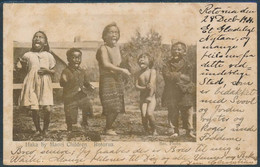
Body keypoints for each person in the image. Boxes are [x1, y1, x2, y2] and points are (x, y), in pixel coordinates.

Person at [17, 31, 56, 135]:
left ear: (46, 43)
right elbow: (20, 69)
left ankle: (46, 129)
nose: (38, 39)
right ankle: (38, 129)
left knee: (47, 108)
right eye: (36, 37)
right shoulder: (27, 55)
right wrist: (20, 65)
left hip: (45, 84)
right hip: (32, 84)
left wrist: (46, 71)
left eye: (41, 37)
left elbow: (53, 71)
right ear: (32, 41)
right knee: (35, 108)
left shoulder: (48, 55)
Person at [96, 22, 131, 135]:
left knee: (118, 105)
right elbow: (106, 64)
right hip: (107, 79)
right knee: (111, 105)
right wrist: (122, 70)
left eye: (116, 32)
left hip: (117, 78)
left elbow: (120, 63)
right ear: (105, 35)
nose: (114, 34)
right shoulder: (103, 48)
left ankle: (108, 127)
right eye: (111, 32)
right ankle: (108, 128)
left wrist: (125, 70)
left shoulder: (118, 48)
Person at [162, 40, 195, 138]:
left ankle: (189, 130)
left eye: (179, 49)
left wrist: (176, 77)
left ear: (184, 52)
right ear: (171, 51)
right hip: (172, 91)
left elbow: (189, 78)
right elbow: (166, 76)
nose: (176, 51)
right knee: (172, 111)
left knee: (187, 111)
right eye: (174, 49)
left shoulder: (188, 64)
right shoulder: (167, 64)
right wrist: (180, 75)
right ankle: (174, 130)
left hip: (185, 91)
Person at [60, 48, 94, 132]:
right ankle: (69, 127)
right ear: (68, 59)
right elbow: (62, 83)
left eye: (79, 57)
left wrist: (89, 86)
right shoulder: (66, 71)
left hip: (81, 94)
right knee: (70, 112)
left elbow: (85, 82)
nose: (77, 60)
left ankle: (85, 122)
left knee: (87, 104)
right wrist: (64, 80)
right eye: (74, 58)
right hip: (70, 96)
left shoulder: (82, 71)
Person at [135, 53, 158, 135]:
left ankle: (154, 130)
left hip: (151, 96)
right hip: (142, 97)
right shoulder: (137, 73)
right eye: (140, 58)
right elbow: (136, 86)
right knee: (144, 115)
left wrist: (150, 96)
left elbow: (152, 85)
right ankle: (146, 130)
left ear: (150, 61)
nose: (141, 59)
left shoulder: (152, 71)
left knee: (149, 113)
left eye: (144, 58)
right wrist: (144, 88)